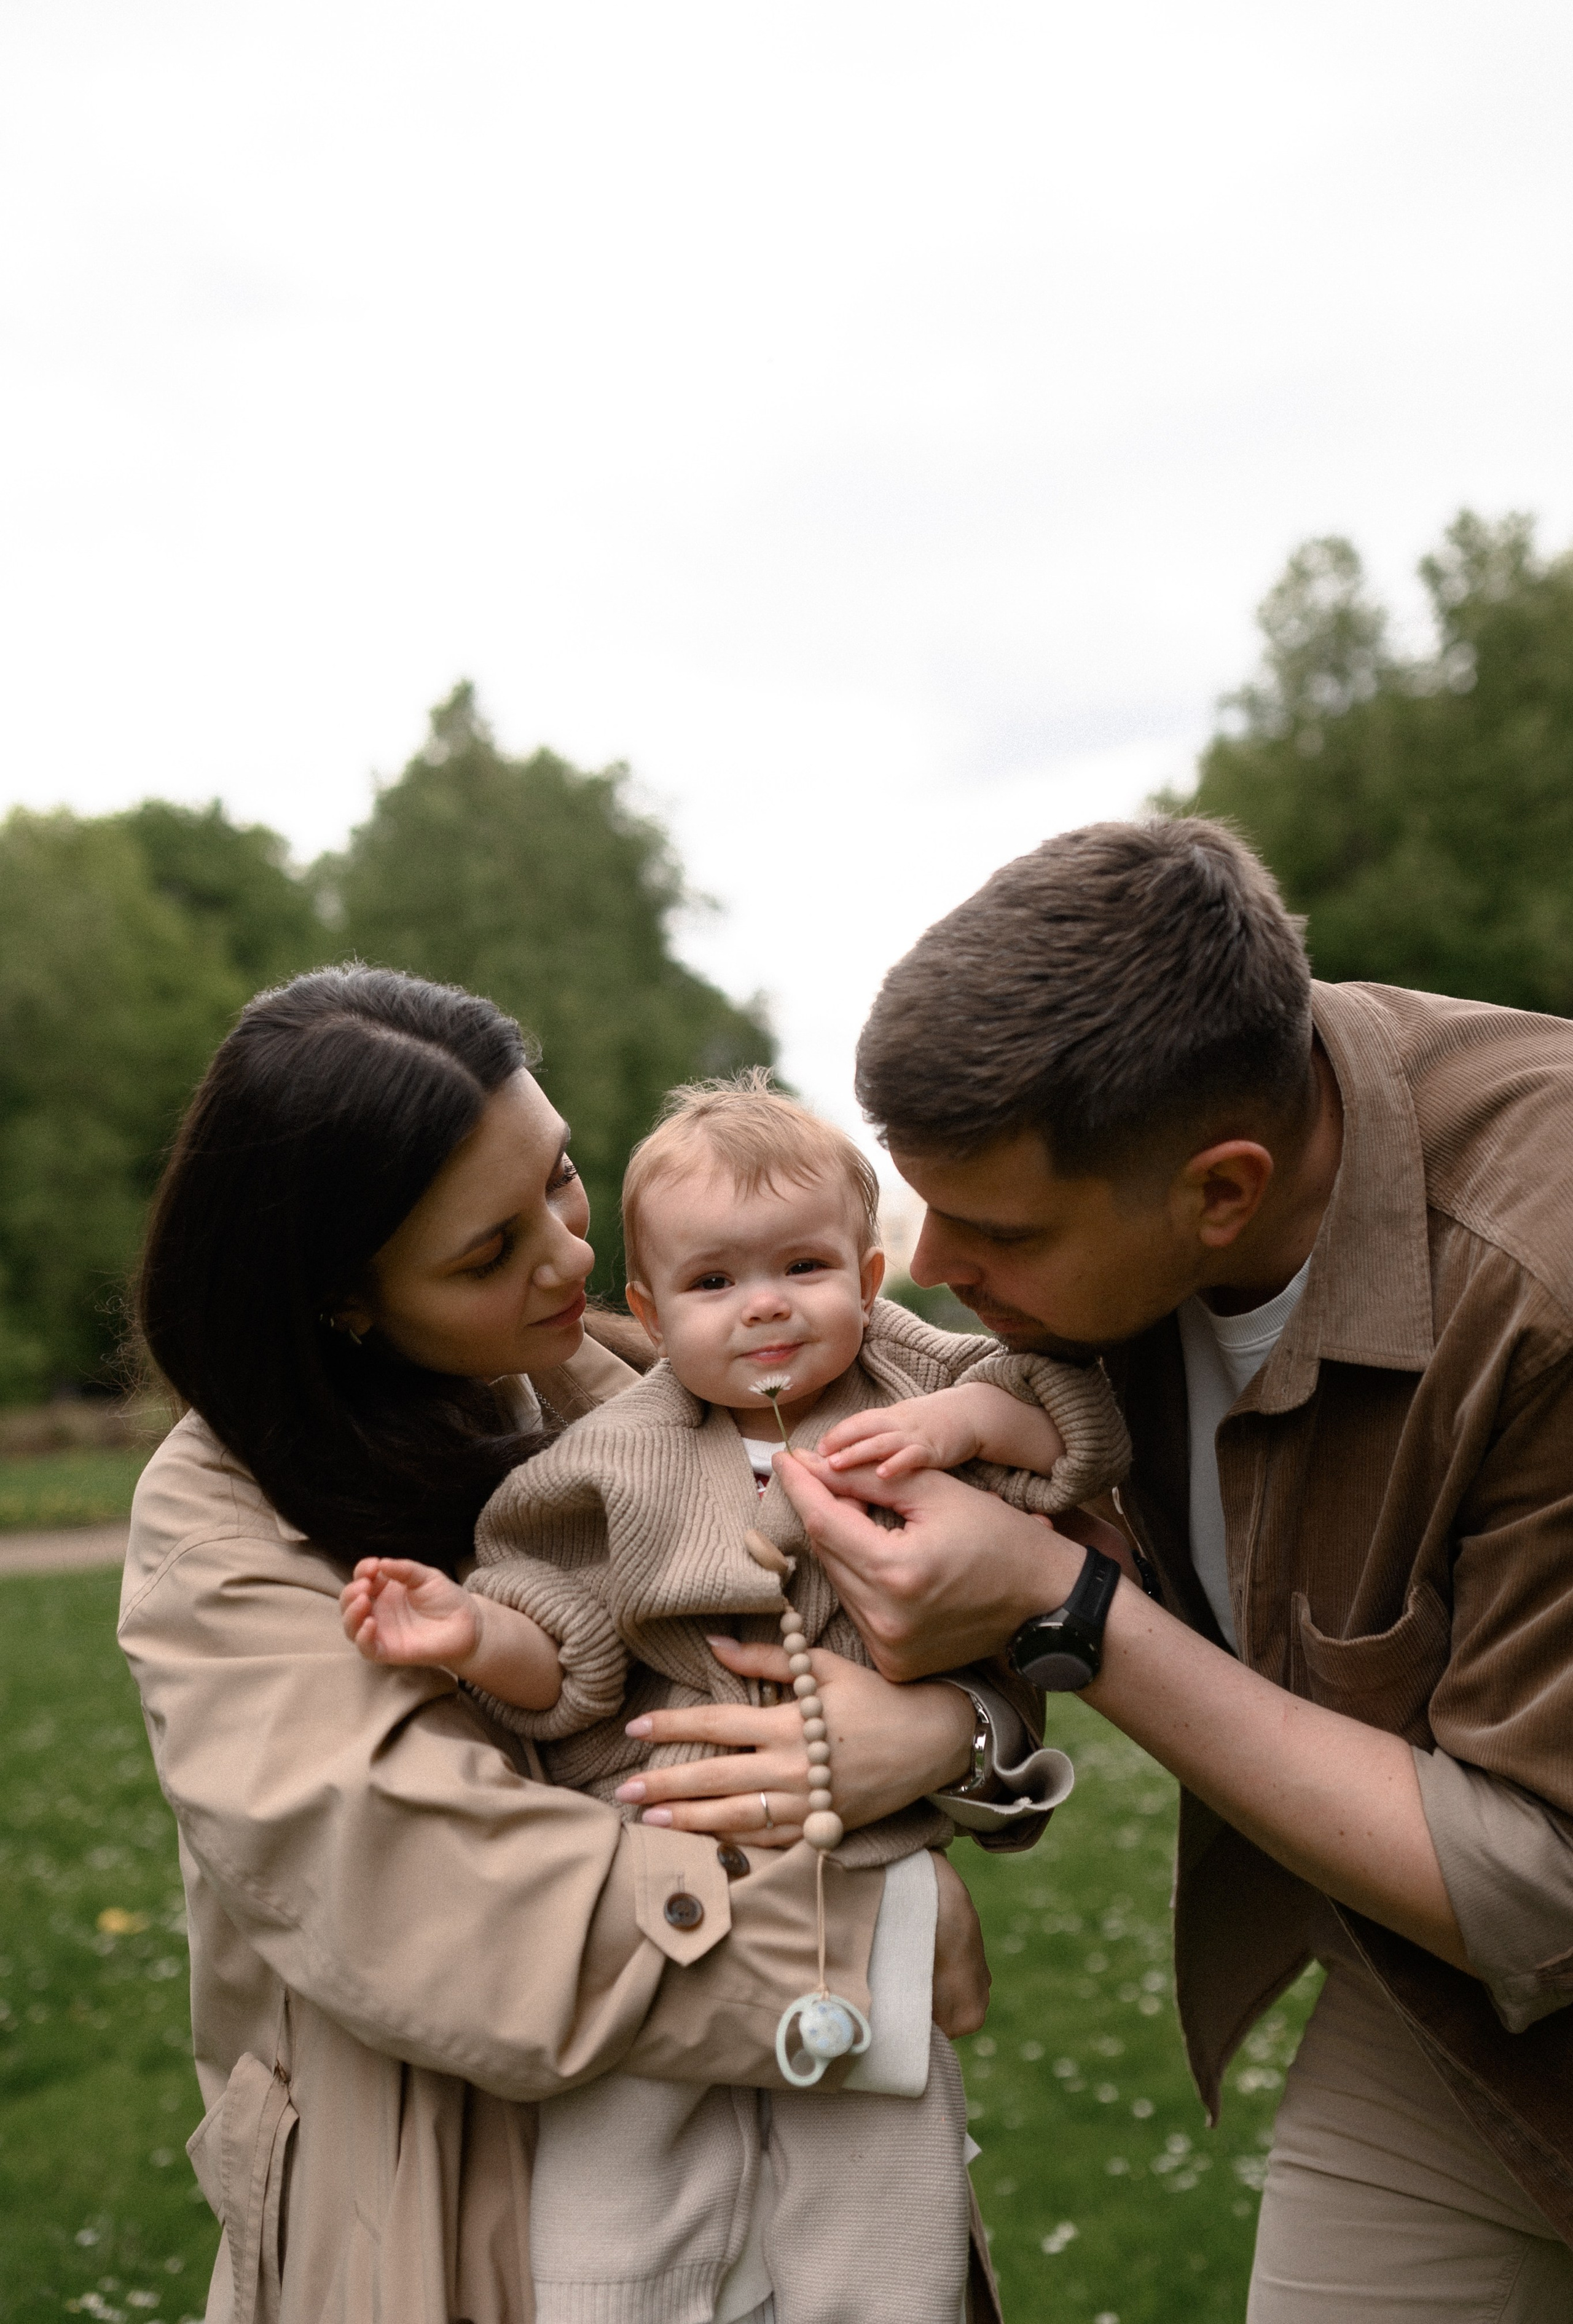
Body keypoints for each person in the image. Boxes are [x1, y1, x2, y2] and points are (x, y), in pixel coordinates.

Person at [119, 967, 1030, 2324]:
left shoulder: (642, 1386)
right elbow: (433, 1892)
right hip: (452, 2214)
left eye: (557, 1179)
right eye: (487, 1252)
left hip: (794, 2192)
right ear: (343, 1301)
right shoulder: (223, 1522)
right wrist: (870, 1945)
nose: (568, 1257)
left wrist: (952, 1731)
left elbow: (955, 1601)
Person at [771, 819, 1573, 2324]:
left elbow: (1543, 1879)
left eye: (994, 1226)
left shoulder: (1539, 1281)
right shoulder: (1165, 1158)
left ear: (1222, 1189)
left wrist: (1065, 1611)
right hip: (1447, 2024)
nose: (932, 1262)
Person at [340, 1073, 1123, 2323]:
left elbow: (1068, 1416)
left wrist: (964, 1416)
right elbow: (571, 1641)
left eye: (802, 1266)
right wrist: (475, 1631)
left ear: (867, 1278)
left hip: (858, 1849)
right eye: (711, 1283)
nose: (763, 1305)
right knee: (622, 2157)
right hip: (664, 1855)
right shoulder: (612, 1452)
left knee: (877, 2157)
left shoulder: (906, 1372)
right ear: (649, 1308)